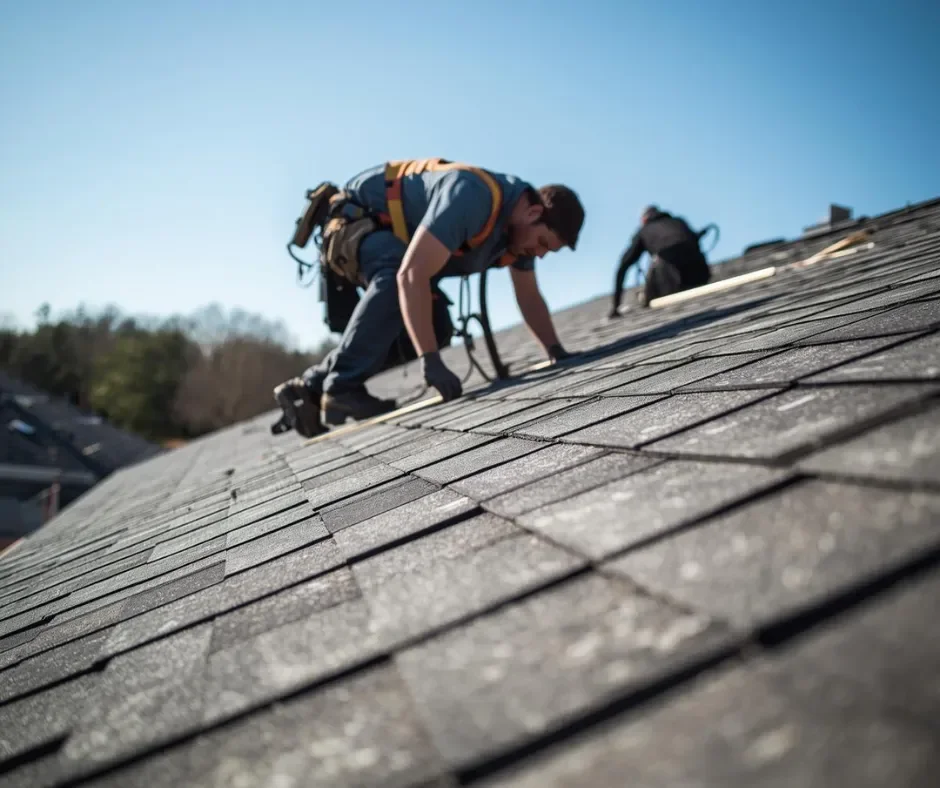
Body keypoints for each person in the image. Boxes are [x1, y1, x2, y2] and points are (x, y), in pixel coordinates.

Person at [275, 158, 585, 437]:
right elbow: (410, 276)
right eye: (543, 243)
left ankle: (310, 390)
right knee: (399, 281)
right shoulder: (473, 196)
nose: (540, 254)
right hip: (356, 221)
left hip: (395, 246)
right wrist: (431, 361)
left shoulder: (519, 233)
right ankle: (342, 387)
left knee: (433, 329)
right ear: (533, 212)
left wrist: (555, 350)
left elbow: (528, 296)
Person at [608, 205, 710, 317]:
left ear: (644, 219)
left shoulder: (644, 230)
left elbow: (623, 267)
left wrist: (616, 306)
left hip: (669, 281)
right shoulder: (679, 221)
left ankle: (647, 297)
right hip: (700, 275)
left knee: (657, 265)